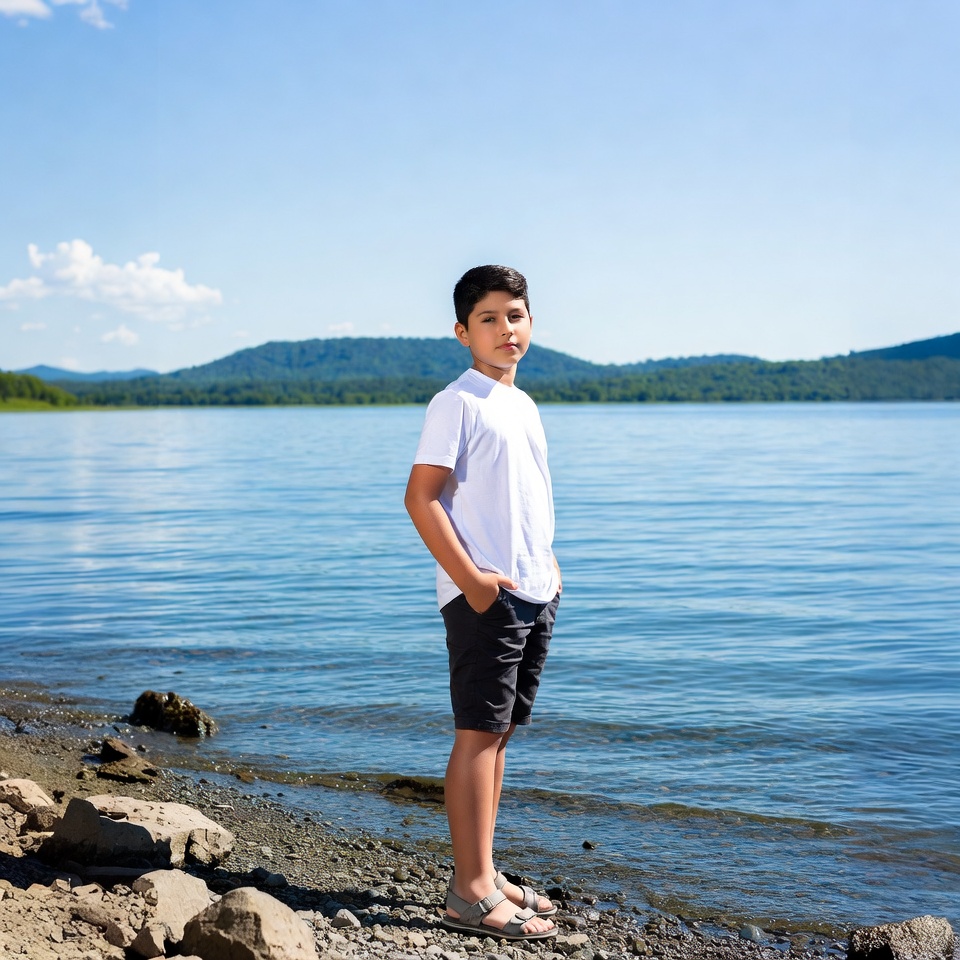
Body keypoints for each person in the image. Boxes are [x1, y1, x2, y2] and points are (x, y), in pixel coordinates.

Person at [404, 264, 562, 942]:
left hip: (534, 590)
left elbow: (526, 498)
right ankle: (467, 892)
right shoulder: (457, 402)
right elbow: (422, 497)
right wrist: (471, 579)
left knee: (499, 736)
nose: (506, 329)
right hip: (486, 596)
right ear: (463, 330)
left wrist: (548, 571)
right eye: (490, 319)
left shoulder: (521, 404)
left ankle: (485, 869)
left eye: (516, 316)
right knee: (477, 733)